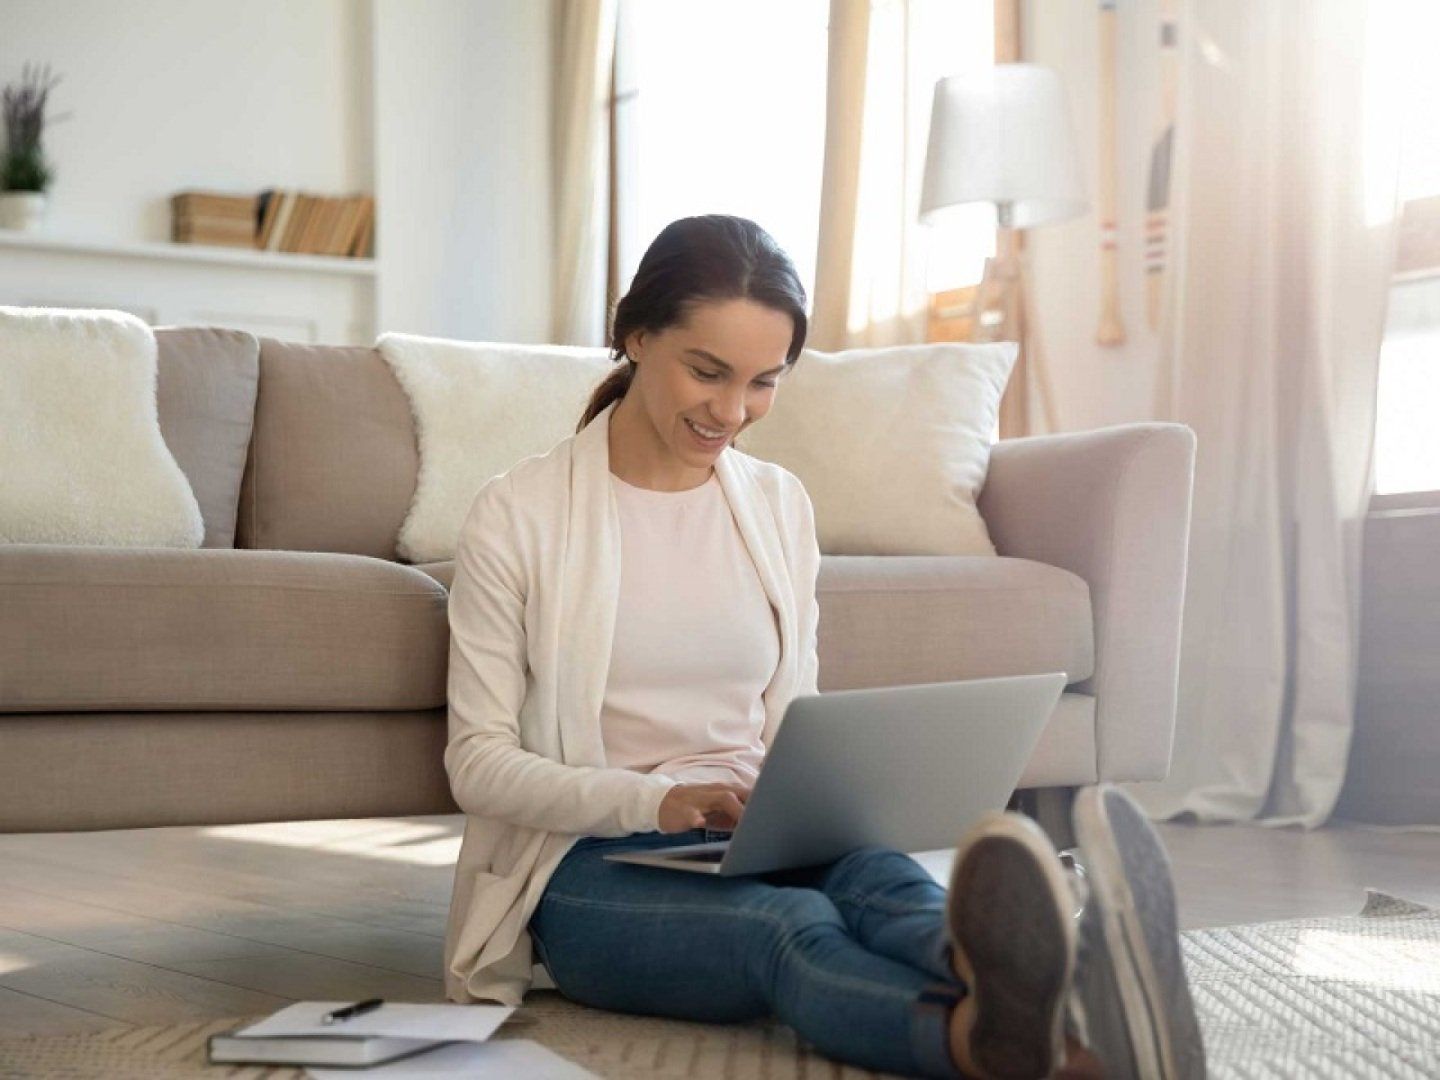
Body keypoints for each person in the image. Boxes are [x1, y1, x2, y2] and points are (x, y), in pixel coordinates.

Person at [442, 214, 1206, 1079]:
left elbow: (794, 718)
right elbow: (477, 764)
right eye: (707, 372)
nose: (733, 412)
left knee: (882, 881)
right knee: (791, 928)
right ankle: (997, 1041)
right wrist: (659, 802)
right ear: (636, 335)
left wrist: (811, 801)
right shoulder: (518, 514)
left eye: (764, 382)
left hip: (757, 837)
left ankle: (1045, 993)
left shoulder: (778, 505)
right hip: (587, 866)